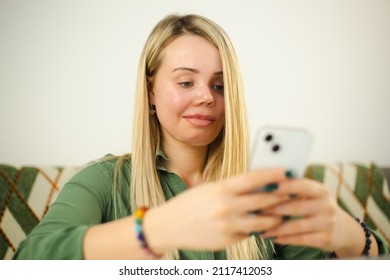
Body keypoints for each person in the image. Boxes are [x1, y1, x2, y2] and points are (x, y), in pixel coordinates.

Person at [13, 14, 388, 260]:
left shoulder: (262, 189)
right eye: (186, 81)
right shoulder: (103, 182)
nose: (207, 96)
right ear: (150, 92)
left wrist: (349, 236)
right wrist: (155, 229)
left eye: (220, 85)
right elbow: (29, 260)